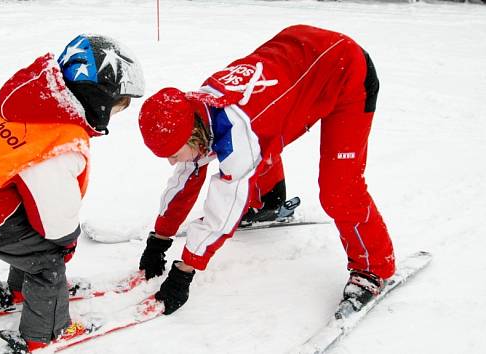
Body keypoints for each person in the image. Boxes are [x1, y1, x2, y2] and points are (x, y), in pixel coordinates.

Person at [137, 24, 396, 317]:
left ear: (192, 136)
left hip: (345, 70)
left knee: (339, 189)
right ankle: (268, 201)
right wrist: (160, 238)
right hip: (301, 60)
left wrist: (184, 271)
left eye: (173, 154)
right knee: (261, 141)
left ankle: (373, 268)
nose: (172, 162)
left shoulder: (240, 132)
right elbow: (186, 176)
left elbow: (223, 210)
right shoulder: (196, 111)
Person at [0, 34, 144, 353]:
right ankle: (46, 332)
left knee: (30, 239)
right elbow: (55, 217)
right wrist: (65, 242)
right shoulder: (57, 142)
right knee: (47, 261)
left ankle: (20, 292)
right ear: (96, 99)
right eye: (115, 108)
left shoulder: (31, 104)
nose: (112, 116)